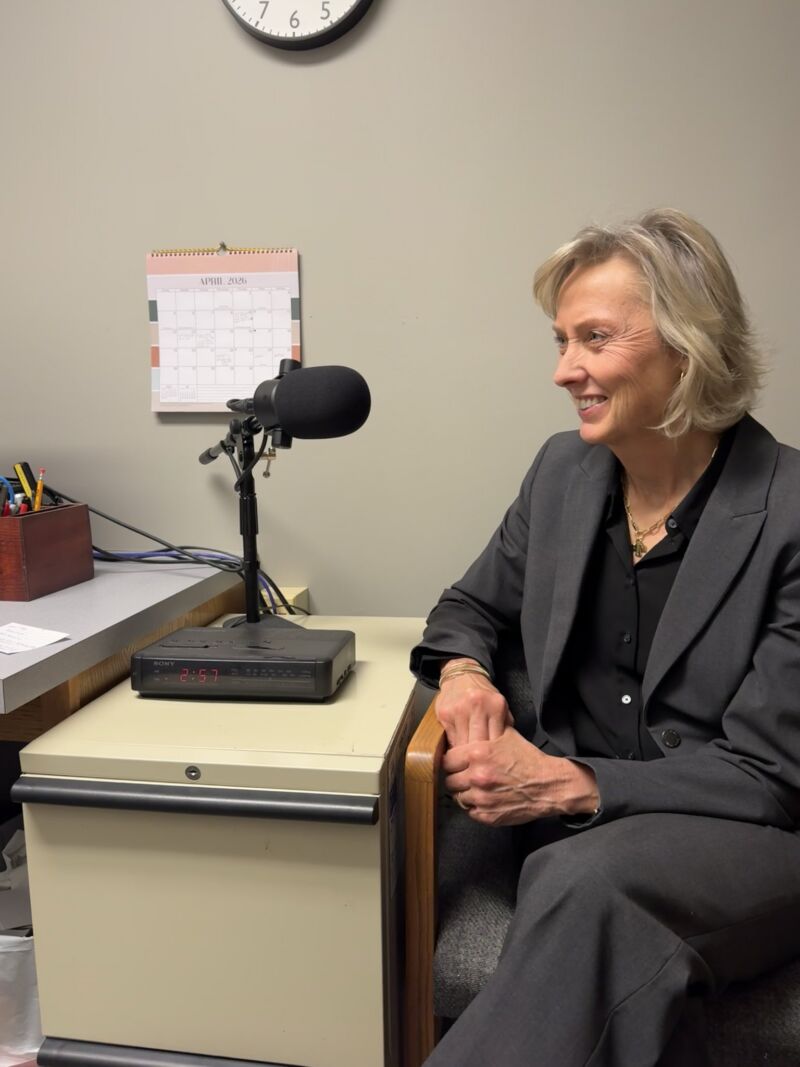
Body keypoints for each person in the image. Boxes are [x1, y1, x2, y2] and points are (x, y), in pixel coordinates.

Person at [410, 208, 800, 1066]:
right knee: (573, 876)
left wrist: (565, 785)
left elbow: (770, 776)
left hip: (747, 842)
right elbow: (467, 607)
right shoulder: (561, 472)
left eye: (594, 338)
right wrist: (466, 674)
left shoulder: (791, 512)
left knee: (583, 879)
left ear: (689, 346)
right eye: (561, 341)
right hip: (569, 849)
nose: (564, 370)